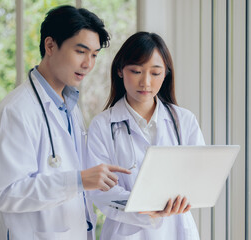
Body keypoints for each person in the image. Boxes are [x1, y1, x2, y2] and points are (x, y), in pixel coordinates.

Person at [0, 5, 131, 240]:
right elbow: (6, 194)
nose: (88, 64)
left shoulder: (69, 105)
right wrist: (78, 180)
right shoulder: (16, 110)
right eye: (81, 51)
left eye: (94, 55)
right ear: (50, 45)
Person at [86, 32, 205, 240]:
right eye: (136, 71)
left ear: (166, 74)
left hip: (176, 230)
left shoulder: (184, 121)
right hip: (125, 233)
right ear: (120, 70)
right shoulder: (102, 126)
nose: (146, 82)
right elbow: (100, 192)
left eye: (156, 73)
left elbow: (198, 178)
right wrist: (146, 206)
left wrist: (180, 199)